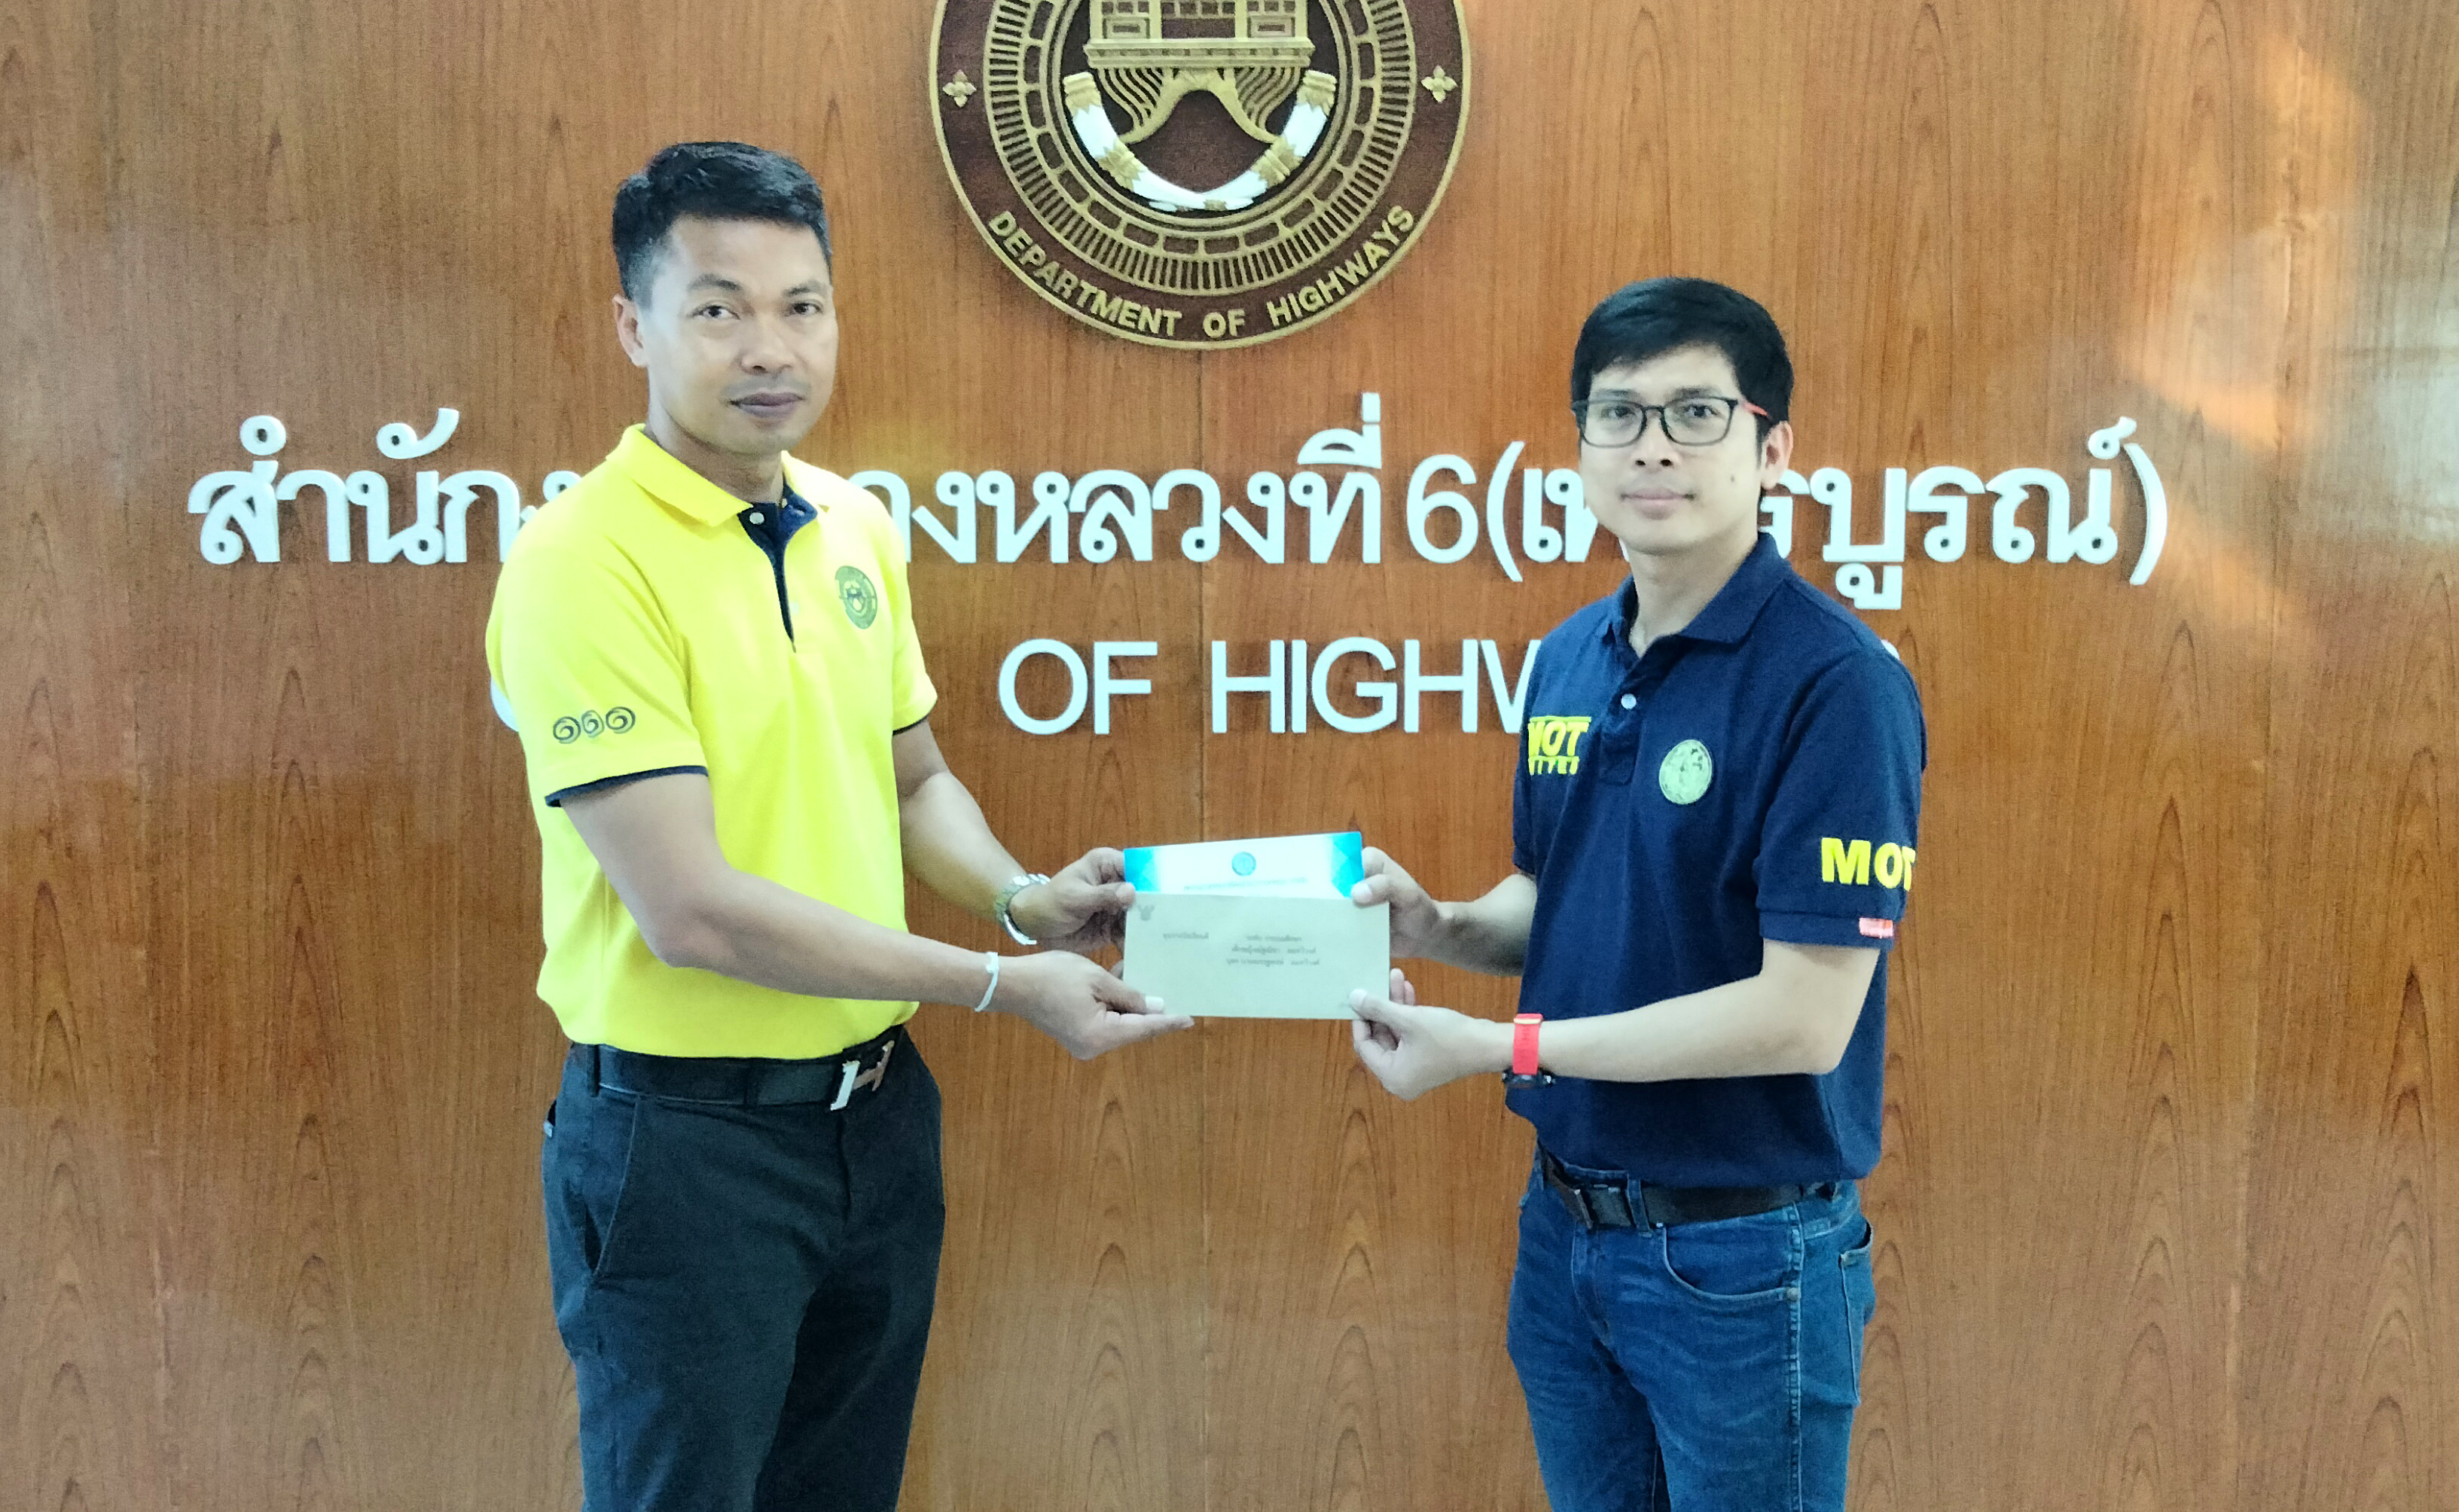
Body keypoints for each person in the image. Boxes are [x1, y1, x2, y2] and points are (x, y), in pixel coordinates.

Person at [486, 142, 1191, 1512]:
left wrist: (1022, 900)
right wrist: (1000, 983)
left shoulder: (854, 524)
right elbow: (690, 910)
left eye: (802, 306)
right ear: (634, 326)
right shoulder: (583, 559)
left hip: (874, 1123)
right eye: (719, 308)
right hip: (686, 1145)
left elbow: (913, 781)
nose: (771, 347)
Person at [1344, 276, 1925, 1512]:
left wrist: (1506, 1047)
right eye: (1617, 414)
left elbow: (1802, 1017)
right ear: (1582, 450)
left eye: (1696, 413)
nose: (1652, 445)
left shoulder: (1836, 684)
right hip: (1566, 1236)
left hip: (1742, 1259)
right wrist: (1439, 925)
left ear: (1774, 452)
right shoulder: (1570, 657)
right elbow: (1556, 901)